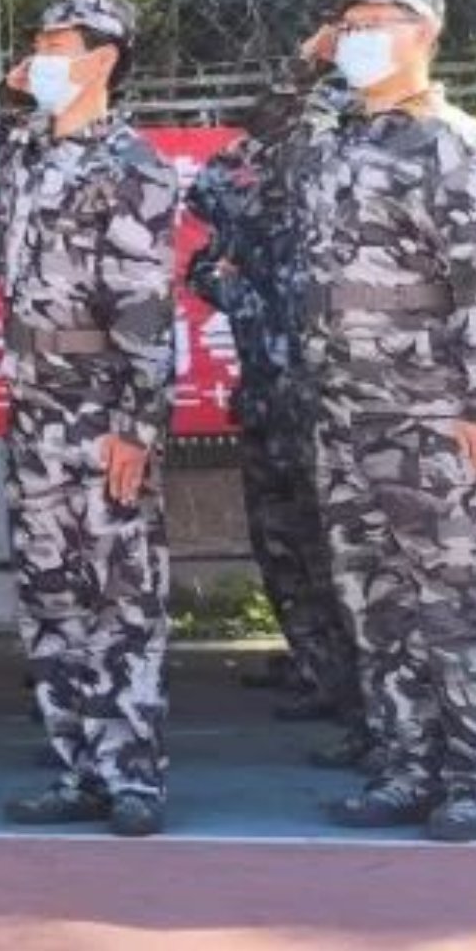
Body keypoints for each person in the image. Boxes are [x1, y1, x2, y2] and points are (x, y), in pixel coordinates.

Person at [289, 0, 476, 842]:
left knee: (456, 599)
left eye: (373, 22)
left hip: (434, 410)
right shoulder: (335, 141)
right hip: (345, 408)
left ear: (422, 31)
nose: (353, 36)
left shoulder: (452, 143)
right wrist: (308, 63)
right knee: (375, 596)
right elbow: (277, 130)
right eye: (346, 22)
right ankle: (405, 760)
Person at [0, 0, 181, 837]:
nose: (39, 55)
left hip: (101, 405)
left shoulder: (132, 164)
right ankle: (78, 765)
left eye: (56, 44)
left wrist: (137, 425)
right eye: (37, 42)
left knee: (118, 594)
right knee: (51, 593)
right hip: (34, 407)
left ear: (102, 58)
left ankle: (131, 774)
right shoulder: (25, 151)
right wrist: (12, 91)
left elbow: (145, 310)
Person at [190, 77, 359, 732]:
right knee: (282, 543)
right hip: (267, 398)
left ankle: (361, 687)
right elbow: (205, 200)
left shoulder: (343, 197)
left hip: (328, 406)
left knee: (334, 549)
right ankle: (319, 667)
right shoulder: (257, 200)